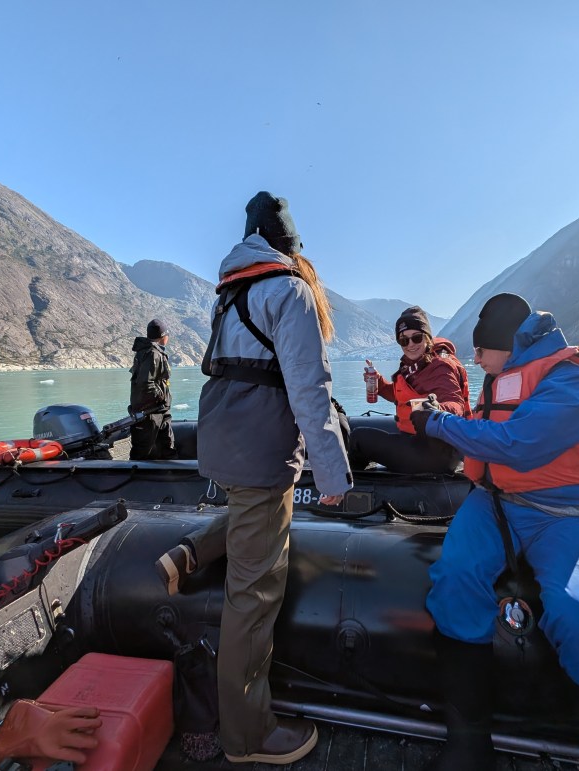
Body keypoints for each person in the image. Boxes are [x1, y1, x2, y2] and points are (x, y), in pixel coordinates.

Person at [410, 293, 579, 771]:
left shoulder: (570, 380)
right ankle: (470, 745)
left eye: (480, 350)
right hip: (495, 502)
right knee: (453, 580)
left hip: (569, 513)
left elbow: (517, 443)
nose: (473, 359)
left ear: (505, 345)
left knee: (577, 613)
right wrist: (448, 420)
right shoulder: (502, 377)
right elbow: (488, 429)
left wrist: (435, 423)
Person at [188, 191, 352, 765]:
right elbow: (309, 389)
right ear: (289, 244)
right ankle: (248, 735)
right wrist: (331, 470)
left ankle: (182, 554)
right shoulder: (290, 290)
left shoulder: (229, 293)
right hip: (261, 451)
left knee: (246, 536)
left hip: (223, 443)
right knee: (254, 594)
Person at [347, 306, 470, 473]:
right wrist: (379, 383)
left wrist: (438, 409)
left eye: (416, 338)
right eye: (404, 340)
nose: (410, 344)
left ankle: (351, 488)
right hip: (422, 443)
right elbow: (403, 397)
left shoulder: (441, 366)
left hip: (436, 453)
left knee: (357, 438)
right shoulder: (415, 366)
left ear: (427, 338)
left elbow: (455, 403)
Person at [128, 318, 176, 460]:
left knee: (167, 447)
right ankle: (135, 478)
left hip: (159, 410)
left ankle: (172, 477)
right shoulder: (153, 354)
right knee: (142, 451)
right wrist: (160, 396)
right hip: (150, 412)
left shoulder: (150, 352)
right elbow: (146, 383)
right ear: (163, 336)